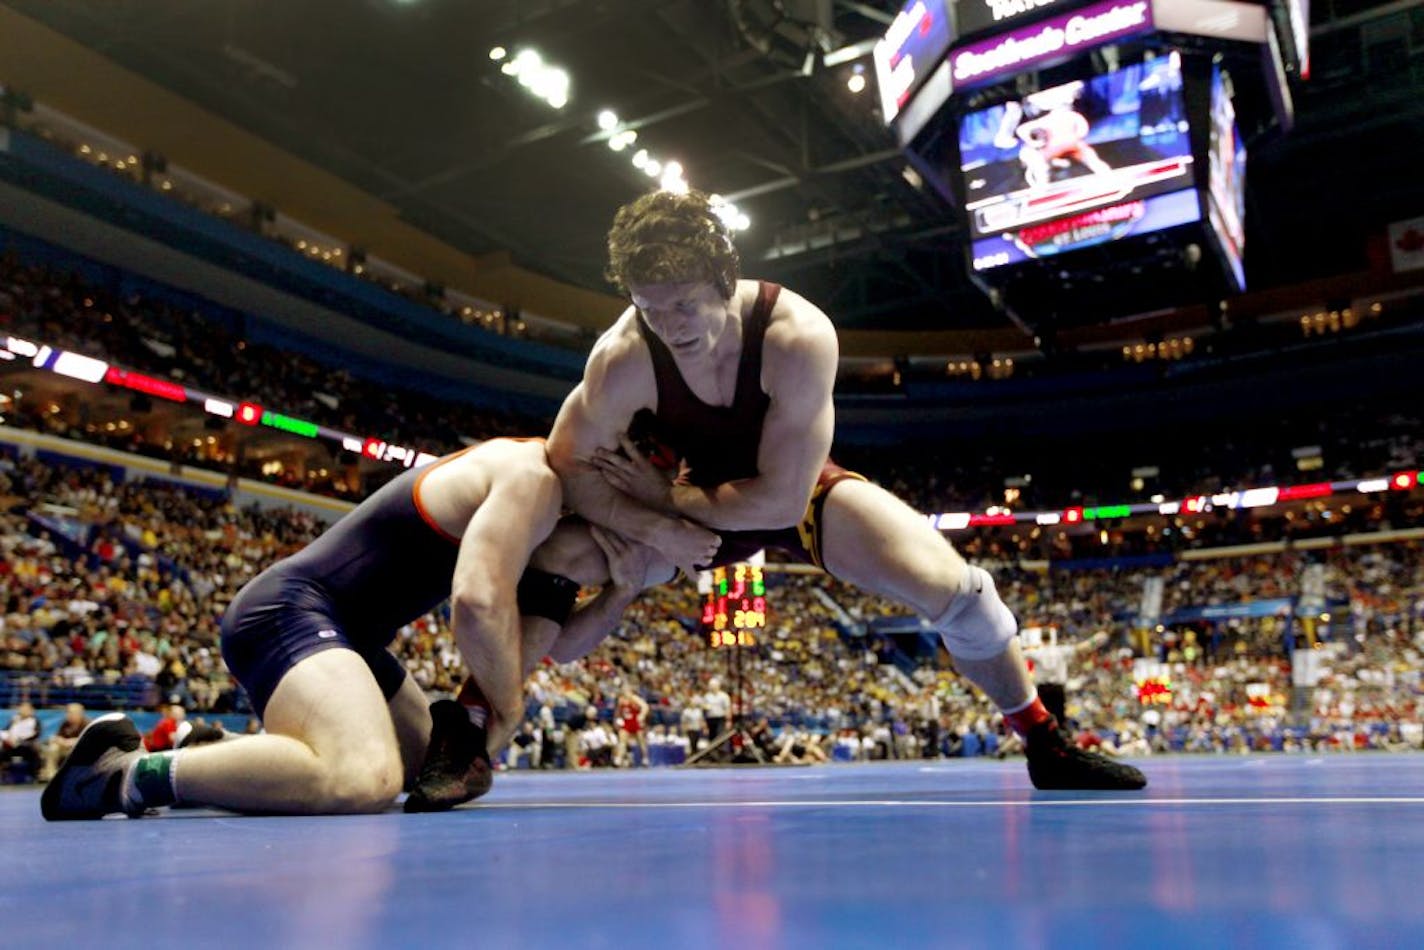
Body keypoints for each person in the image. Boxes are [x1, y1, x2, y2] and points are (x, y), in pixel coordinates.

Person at [546, 188, 1144, 790]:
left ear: (724, 277)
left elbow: (780, 502)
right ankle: (470, 727)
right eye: (650, 310)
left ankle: (1044, 741)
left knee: (965, 598)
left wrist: (666, 501)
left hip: (786, 493)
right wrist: (656, 527)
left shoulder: (797, 333)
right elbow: (567, 464)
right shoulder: (623, 355)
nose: (670, 328)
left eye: (684, 305)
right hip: (694, 508)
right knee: (555, 559)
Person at [42, 439, 670, 820]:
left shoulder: (554, 526)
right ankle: (120, 776)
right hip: (290, 610)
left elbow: (560, 644)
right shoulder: (530, 477)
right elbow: (475, 604)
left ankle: (210, 749)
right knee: (362, 779)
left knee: (431, 767)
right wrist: (503, 706)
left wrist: (624, 588)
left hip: (351, 638)